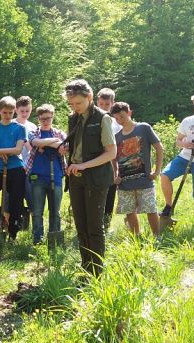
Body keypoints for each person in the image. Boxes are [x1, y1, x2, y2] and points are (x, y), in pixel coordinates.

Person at [59, 79, 116, 275]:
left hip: (97, 179)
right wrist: (66, 148)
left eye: (79, 103)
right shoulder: (73, 118)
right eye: (71, 104)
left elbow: (111, 153)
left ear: (90, 97)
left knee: (94, 227)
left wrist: (83, 164)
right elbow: (77, 145)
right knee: (80, 226)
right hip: (75, 178)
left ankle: (97, 273)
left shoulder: (103, 118)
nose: (75, 107)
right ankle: (86, 269)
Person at [111, 102, 163, 236]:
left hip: (145, 179)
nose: (119, 121)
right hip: (124, 183)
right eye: (116, 118)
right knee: (129, 211)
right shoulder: (117, 137)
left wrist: (157, 171)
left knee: (151, 208)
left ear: (129, 113)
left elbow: (159, 148)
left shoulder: (143, 128)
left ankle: (157, 237)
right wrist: (115, 174)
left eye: (122, 117)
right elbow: (113, 158)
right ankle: (137, 237)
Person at [0, 96, 26, 239]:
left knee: (15, 202)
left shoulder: (20, 128)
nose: (8, 115)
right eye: (5, 112)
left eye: (11, 112)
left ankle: (13, 234)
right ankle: (1, 219)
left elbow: (18, 149)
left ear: (14, 112)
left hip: (16, 168)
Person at [26, 104, 67, 244]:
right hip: (37, 177)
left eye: (48, 118)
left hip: (56, 177)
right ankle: (38, 239)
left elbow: (65, 147)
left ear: (52, 117)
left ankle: (54, 238)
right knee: (37, 212)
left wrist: (45, 144)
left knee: (55, 211)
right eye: (43, 118)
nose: (45, 121)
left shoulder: (60, 133)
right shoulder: (33, 132)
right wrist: (53, 143)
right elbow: (35, 142)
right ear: (38, 118)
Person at [160, 92, 194, 217]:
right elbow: (178, 142)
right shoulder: (187, 121)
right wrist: (185, 144)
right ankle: (169, 206)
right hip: (185, 157)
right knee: (165, 175)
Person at [96, 88, 122, 229]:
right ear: (97, 103)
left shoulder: (117, 125)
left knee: (110, 195)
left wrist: (117, 169)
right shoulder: (92, 120)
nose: (104, 107)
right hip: (95, 164)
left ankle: (105, 225)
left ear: (113, 104)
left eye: (107, 104)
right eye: (101, 104)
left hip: (112, 165)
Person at [13, 96, 37, 229]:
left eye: (27, 111)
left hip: (29, 168)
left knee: (31, 196)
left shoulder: (32, 127)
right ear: (16, 110)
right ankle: (16, 224)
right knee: (15, 198)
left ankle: (33, 226)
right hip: (14, 166)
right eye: (22, 111)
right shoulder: (11, 124)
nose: (25, 114)